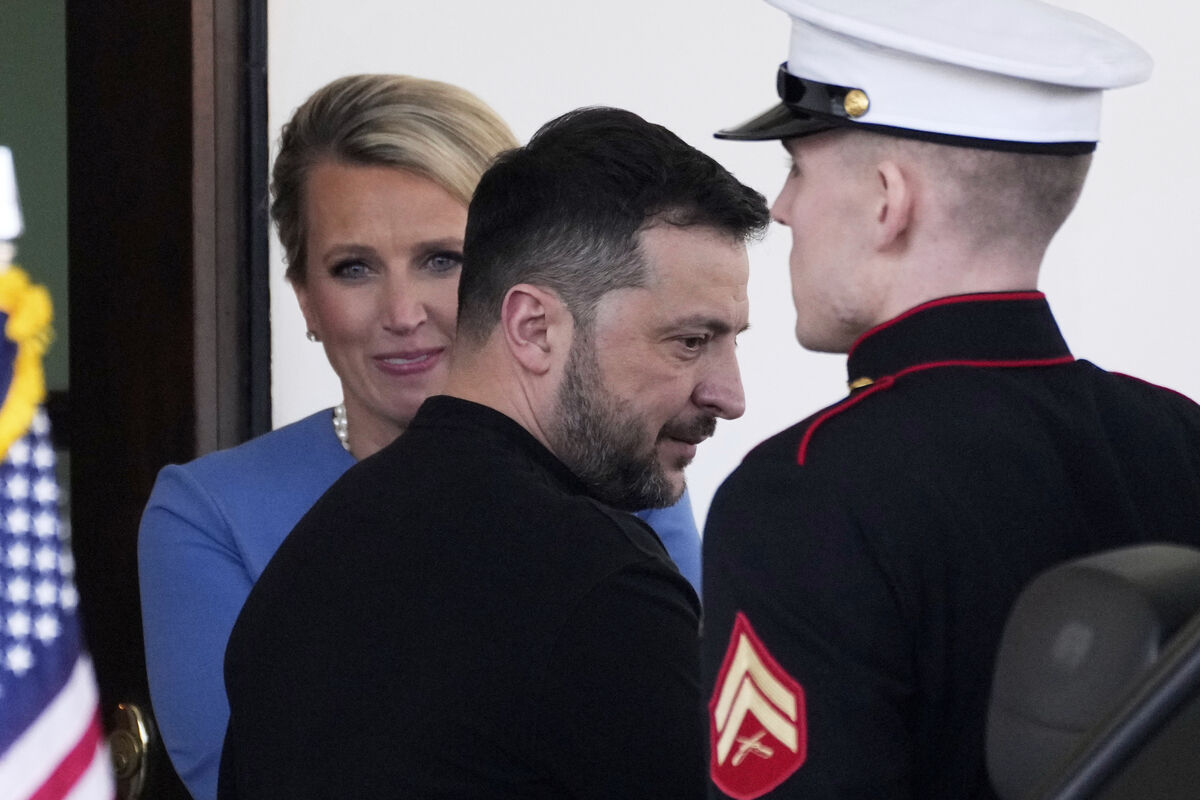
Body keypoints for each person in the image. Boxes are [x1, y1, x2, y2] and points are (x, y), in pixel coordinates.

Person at [137, 75, 704, 800]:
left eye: (443, 259)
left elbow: (673, 757)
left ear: (521, 276)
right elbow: (246, 776)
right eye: (354, 268)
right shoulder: (208, 515)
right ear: (306, 298)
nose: (403, 312)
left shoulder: (627, 476)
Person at [700, 1, 1200, 798]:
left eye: (797, 167)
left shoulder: (801, 495)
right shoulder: (1181, 437)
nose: (781, 207)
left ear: (887, 202)